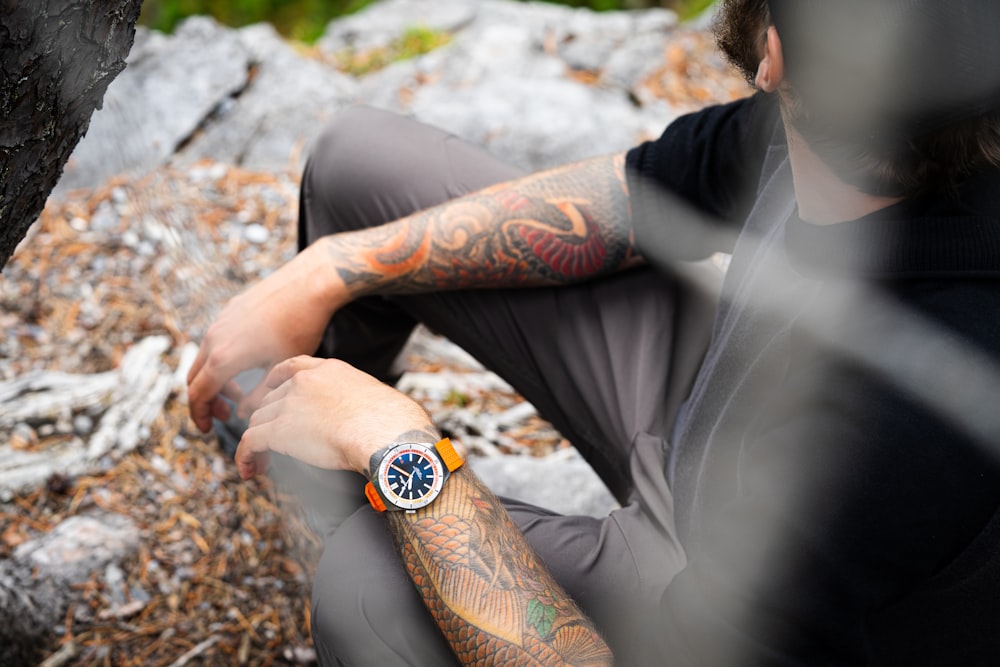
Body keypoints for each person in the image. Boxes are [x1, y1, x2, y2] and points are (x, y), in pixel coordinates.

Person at [186, 0, 1000, 664]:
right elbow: (634, 192)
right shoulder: (886, 119)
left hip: (715, 597)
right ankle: (313, 474)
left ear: (773, 55)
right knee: (355, 163)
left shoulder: (903, 430)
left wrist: (403, 456)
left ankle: (382, 560)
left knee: (369, 579)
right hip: (711, 423)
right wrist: (335, 265)